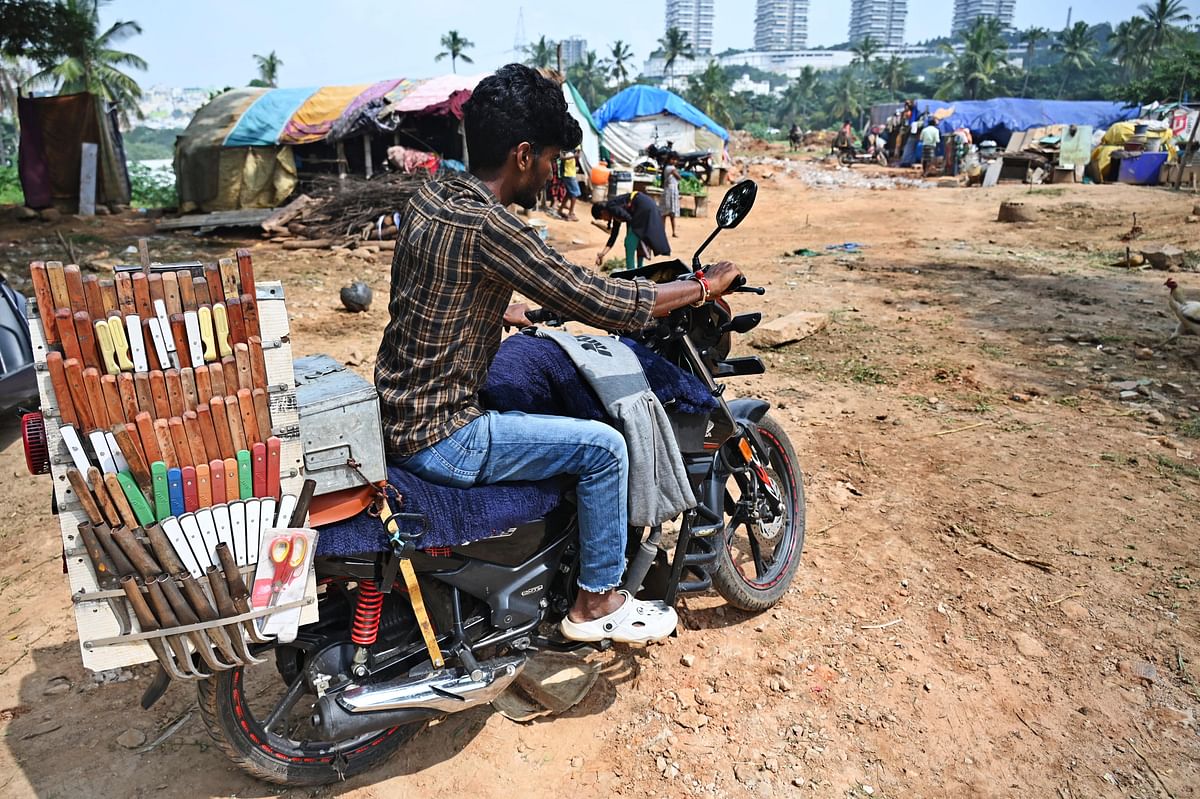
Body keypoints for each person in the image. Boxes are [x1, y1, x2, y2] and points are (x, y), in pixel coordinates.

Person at [375, 63, 743, 643]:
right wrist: (700, 287)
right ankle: (596, 603)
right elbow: (591, 295)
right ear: (523, 155)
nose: (552, 175)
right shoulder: (491, 225)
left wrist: (502, 310)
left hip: (396, 414)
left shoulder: (430, 199)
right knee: (605, 449)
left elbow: (424, 291)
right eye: (550, 160)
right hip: (442, 435)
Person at [592, 190, 671, 269]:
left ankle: (631, 271)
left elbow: (629, 219)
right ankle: (639, 269)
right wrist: (602, 254)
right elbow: (613, 236)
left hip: (643, 206)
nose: (605, 220)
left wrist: (624, 222)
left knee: (629, 242)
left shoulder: (611, 206)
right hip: (647, 204)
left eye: (602, 218)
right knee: (637, 239)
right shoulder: (614, 209)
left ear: (602, 212)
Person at [556, 146, 581, 221]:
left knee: (569, 193)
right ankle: (571, 213)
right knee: (575, 193)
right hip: (568, 173)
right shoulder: (565, 149)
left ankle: (560, 210)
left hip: (571, 172)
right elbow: (561, 157)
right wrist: (574, 156)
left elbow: (577, 156)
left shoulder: (572, 149)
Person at [659, 153, 681, 239]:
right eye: (673, 159)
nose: (675, 161)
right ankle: (670, 232)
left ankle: (671, 232)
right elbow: (679, 177)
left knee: (669, 213)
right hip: (669, 192)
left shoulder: (667, 168)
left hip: (671, 191)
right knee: (666, 213)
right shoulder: (670, 168)